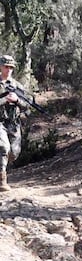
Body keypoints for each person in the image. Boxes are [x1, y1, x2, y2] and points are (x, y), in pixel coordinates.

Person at [0, 55, 29, 191]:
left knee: (14, 153)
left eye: (11, 67)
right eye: (6, 67)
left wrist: (17, 100)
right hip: (0, 122)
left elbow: (27, 105)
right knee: (3, 148)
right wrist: (5, 100)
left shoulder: (17, 86)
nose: (9, 70)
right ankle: (2, 181)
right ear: (1, 67)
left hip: (14, 123)